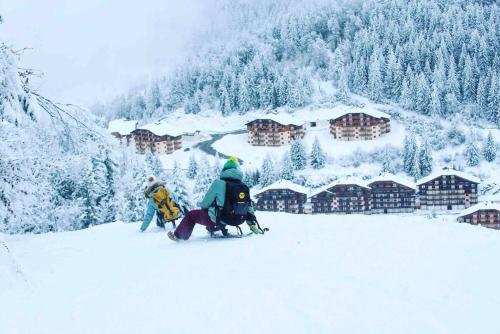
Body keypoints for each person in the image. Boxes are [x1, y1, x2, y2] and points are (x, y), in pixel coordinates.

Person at [168, 156, 262, 241]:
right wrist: (253, 225)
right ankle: (215, 229)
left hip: (223, 218)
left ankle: (179, 236)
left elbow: (204, 204)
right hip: (239, 219)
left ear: (224, 170)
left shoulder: (218, 183)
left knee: (191, 215)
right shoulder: (243, 186)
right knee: (218, 210)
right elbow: (248, 207)